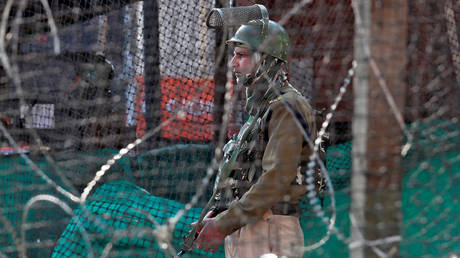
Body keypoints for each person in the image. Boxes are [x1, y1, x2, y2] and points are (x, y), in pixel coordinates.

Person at [193, 19, 320, 258]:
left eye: (241, 55)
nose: (234, 63)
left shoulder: (286, 107)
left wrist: (223, 224)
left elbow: (276, 179)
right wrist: (222, 214)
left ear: (266, 58)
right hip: (250, 226)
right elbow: (252, 174)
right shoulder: (263, 107)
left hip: (269, 228)